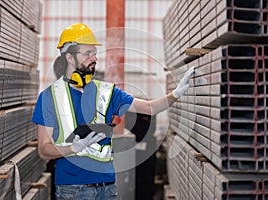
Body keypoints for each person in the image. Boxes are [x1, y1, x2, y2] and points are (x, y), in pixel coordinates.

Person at [32, 23, 194, 200]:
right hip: (72, 188)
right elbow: (43, 149)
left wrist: (175, 94)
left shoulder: (107, 92)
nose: (94, 58)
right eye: (87, 53)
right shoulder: (49, 97)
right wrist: (73, 148)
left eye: (94, 52)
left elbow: (149, 108)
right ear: (70, 57)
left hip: (107, 186)